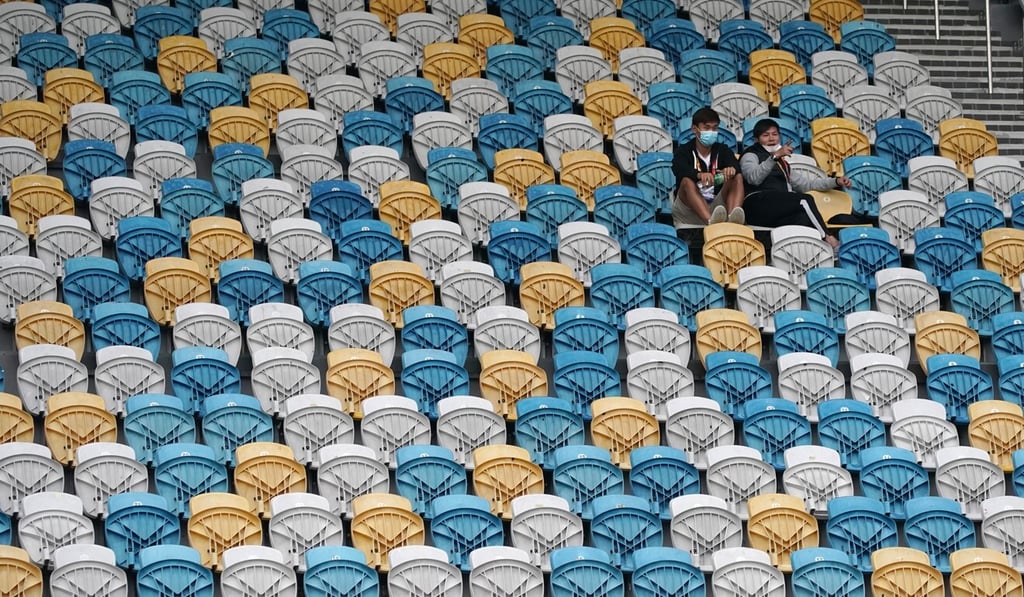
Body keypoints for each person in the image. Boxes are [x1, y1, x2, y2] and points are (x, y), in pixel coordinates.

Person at [739, 118, 852, 249]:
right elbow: (753, 178)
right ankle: (829, 239)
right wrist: (774, 157)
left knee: (803, 218)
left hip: (776, 209)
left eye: (775, 134)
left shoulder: (783, 164)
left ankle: (813, 253)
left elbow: (807, 184)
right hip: (756, 205)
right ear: (756, 140)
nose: (771, 139)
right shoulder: (751, 154)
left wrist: (835, 181)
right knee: (804, 199)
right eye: (765, 135)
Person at [672, 107, 745, 227]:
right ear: (694, 129)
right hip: (689, 208)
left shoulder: (723, 149)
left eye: (715, 128)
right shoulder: (683, 151)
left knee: (737, 177)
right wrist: (699, 175)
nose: (711, 132)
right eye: (706, 127)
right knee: (686, 181)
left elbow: (736, 165)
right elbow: (679, 169)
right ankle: (711, 223)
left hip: (717, 207)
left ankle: (733, 220)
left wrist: (731, 169)